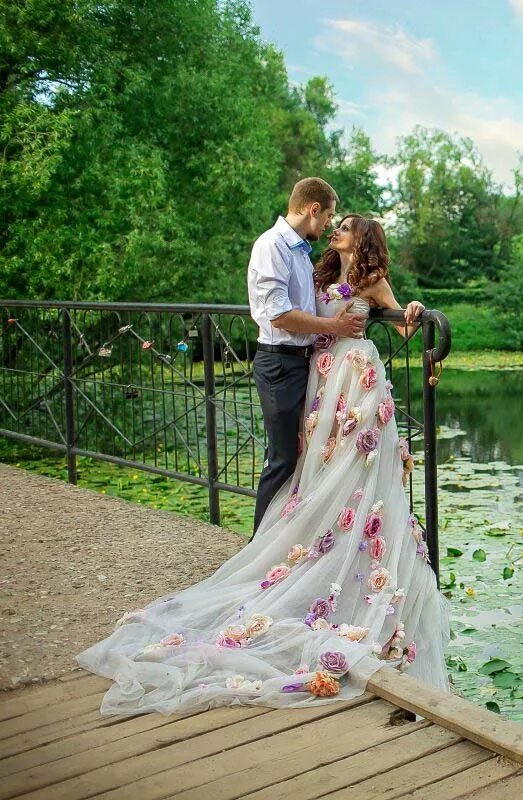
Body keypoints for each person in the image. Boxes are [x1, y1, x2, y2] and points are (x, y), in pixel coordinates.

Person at [76, 192, 450, 714]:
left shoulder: (370, 280)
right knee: (313, 466)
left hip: (355, 374)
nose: (335, 230)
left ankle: (356, 548)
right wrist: (331, 330)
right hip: (323, 374)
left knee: (354, 466)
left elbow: (404, 326)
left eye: (344, 227)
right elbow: (289, 313)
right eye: (333, 222)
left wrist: (410, 311)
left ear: (361, 240)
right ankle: (294, 548)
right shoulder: (319, 273)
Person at [247, 178, 364, 536]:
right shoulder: (272, 246)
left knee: (304, 455)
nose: (330, 224)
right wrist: (335, 326)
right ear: (313, 209)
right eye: (329, 216)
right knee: (282, 459)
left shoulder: (300, 252)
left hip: (305, 364)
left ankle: (287, 543)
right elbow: (280, 315)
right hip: (279, 364)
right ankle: (258, 546)